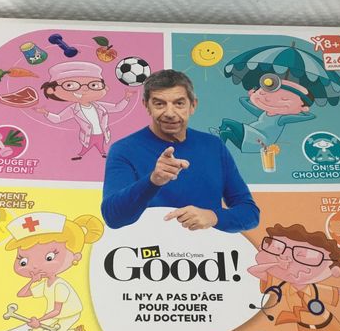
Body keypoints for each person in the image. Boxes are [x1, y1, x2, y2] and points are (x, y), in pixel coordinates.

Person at [101, 69, 259, 233]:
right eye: (159, 104)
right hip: (148, 247)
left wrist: (214, 217)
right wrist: (153, 181)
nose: (170, 113)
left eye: (179, 103)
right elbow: (113, 217)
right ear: (146, 105)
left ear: (193, 105)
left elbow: (250, 213)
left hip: (208, 248)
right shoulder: (124, 149)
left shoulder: (214, 146)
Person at [5, 211, 104, 331]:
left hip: (69, 313)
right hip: (53, 313)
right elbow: (22, 294)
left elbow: (57, 310)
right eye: (23, 261)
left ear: (75, 257)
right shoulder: (45, 284)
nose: (35, 266)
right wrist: (32, 281)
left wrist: (39, 320)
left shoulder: (60, 286)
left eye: (49, 257)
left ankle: (75, 330)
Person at [36, 61, 134, 160]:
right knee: (86, 147)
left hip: (101, 133)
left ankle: (102, 154)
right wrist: (46, 113)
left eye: (93, 85)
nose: (84, 89)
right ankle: (80, 155)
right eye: (70, 85)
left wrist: (127, 98)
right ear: (52, 90)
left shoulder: (99, 106)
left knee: (100, 145)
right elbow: (59, 118)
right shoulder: (73, 109)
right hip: (88, 135)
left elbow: (117, 108)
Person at [212, 73, 315, 153]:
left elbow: (311, 115)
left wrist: (303, 110)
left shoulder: (281, 118)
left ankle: (218, 137)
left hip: (259, 140)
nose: (269, 99)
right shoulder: (264, 113)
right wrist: (252, 94)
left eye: (284, 99)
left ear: (303, 107)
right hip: (248, 143)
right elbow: (243, 100)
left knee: (227, 121)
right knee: (225, 133)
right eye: (263, 93)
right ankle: (219, 151)